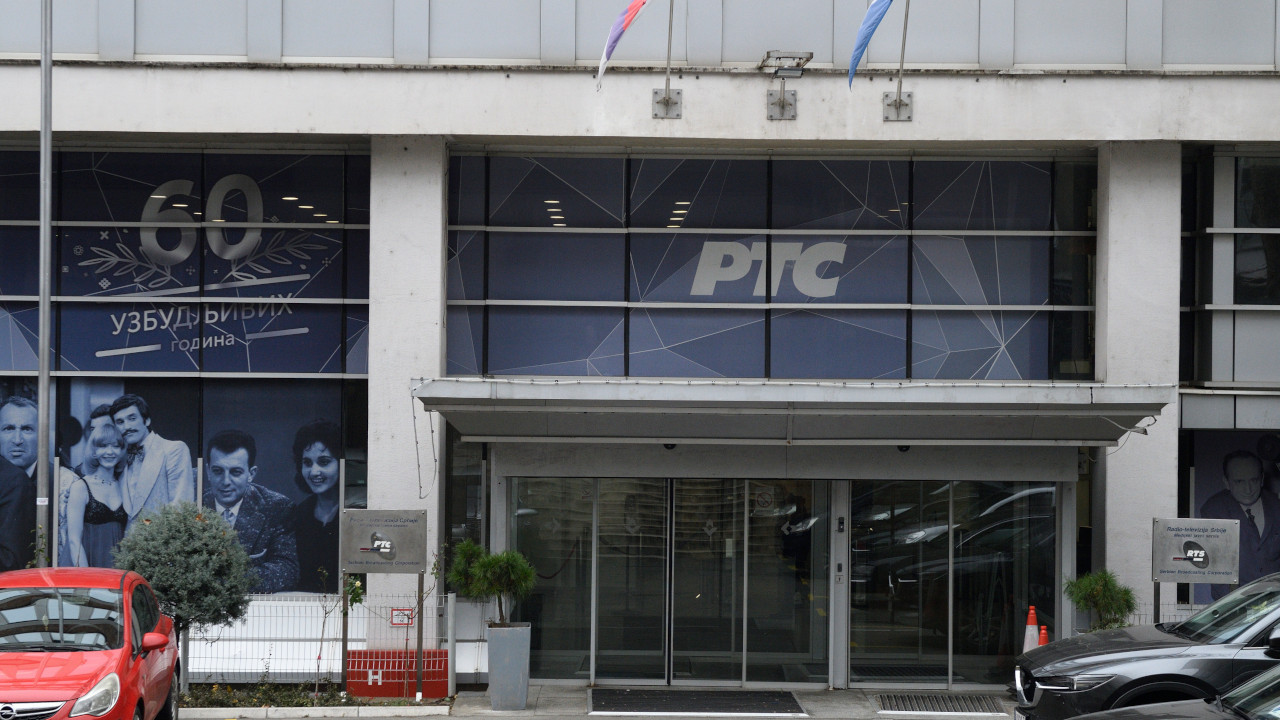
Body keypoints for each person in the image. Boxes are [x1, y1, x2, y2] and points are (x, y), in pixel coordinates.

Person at [202, 429, 299, 593]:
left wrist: (226, 581)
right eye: (218, 471)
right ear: (208, 471)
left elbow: (287, 570)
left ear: (251, 474)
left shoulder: (277, 508)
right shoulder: (193, 505)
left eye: (235, 472)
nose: (225, 481)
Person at [1200, 449, 1280, 599]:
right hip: (1234, 602)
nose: (1248, 489)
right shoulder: (1213, 510)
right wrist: (1233, 605)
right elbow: (1215, 567)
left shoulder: (1277, 505)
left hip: (1275, 601)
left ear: (1262, 479)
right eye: (1239, 481)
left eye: (1253, 480)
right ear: (1226, 482)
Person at [109, 394, 194, 531]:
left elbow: (181, 507)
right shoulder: (118, 459)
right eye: (120, 422)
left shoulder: (174, 450)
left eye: (132, 418)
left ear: (147, 420)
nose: (126, 426)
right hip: (126, 542)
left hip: (161, 541)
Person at [63, 423, 128, 567]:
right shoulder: (81, 487)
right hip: (86, 566)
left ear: (121, 450)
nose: (109, 452)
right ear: (93, 451)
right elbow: (74, 540)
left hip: (117, 566)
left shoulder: (124, 485)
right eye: (103, 446)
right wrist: (87, 576)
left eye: (115, 446)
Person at [289, 420, 342, 593]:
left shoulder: (356, 512)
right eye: (307, 463)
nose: (314, 472)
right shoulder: (298, 515)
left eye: (324, 462)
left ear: (341, 463)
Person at [0, 396, 38, 571]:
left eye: (27, 429)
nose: (17, 440)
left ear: (42, 435)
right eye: (8, 429)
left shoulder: (63, 480)